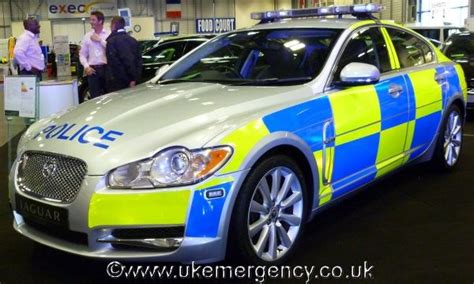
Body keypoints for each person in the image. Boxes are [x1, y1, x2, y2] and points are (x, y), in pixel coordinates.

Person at [105, 16, 142, 92]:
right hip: (134, 82)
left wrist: (125, 79)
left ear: (114, 25)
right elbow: (138, 61)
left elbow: (114, 63)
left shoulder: (112, 41)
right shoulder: (133, 40)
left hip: (118, 82)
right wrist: (134, 79)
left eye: (110, 25)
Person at [79, 11, 110, 99]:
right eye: (90, 20)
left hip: (106, 69)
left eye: (93, 20)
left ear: (100, 21)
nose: (91, 22)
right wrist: (86, 66)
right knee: (94, 98)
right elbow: (82, 54)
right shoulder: (87, 36)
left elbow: (112, 49)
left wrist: (100, 40)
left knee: (109, 97)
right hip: (93, 71)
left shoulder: (108, 34)